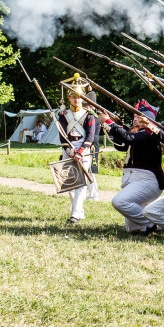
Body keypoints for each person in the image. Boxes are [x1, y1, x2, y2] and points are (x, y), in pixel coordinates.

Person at [99, 101, 164, 234]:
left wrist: (110, 124)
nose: (135, 118)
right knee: (131, 229)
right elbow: (121, 145)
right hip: (134, 179)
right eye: (135, 115)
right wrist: (114, 126)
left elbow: (129, 139)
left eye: (139, 116)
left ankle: (152, 223)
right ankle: (151, 223)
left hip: (148, 180)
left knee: (119, 202)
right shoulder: (137, 132)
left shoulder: (150, 133)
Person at [57, 77, 99, 225]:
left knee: (81, 182)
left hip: (84, 149)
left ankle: (74, 214)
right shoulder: (62, 115)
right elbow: (62, 135)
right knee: (70, 184)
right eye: (74, 97)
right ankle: (79, 211)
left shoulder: (89, 115)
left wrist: (80, 152)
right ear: (69, 98)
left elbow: (90, 136)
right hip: (68, 149)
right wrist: (69, 151)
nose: (77, 100)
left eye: (79, 97)